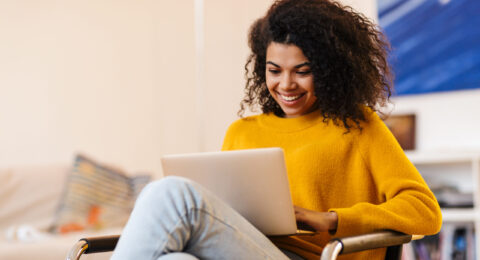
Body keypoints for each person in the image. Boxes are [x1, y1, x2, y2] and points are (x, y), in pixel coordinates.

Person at [111, 0, 442, 259]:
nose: (286, 84)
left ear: (329, 70)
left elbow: (425, 212)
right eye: (274, 70)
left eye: (302, 71)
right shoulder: (241, 132)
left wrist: (332, 219)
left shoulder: (358, 126)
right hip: (243, 249)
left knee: (169, 193)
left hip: (316, 256)